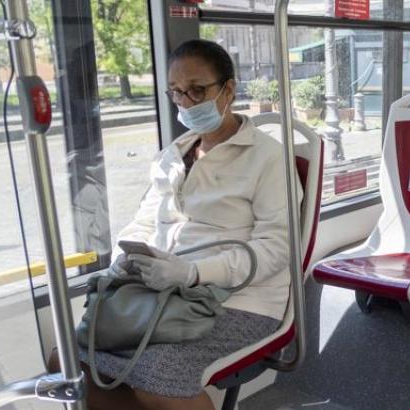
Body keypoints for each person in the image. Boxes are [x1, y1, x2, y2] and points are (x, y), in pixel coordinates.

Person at [49, 39, 301, 410]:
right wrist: (128, 256)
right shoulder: (174, 154)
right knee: (68, 358)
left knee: (157, 376)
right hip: (166, 293)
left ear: (228, 89)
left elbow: (277, 249)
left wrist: (194, 273)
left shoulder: (268, 158)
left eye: (198, 90)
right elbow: (144, 221)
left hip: (243, 300)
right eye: (177, 93)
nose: (186, 102)